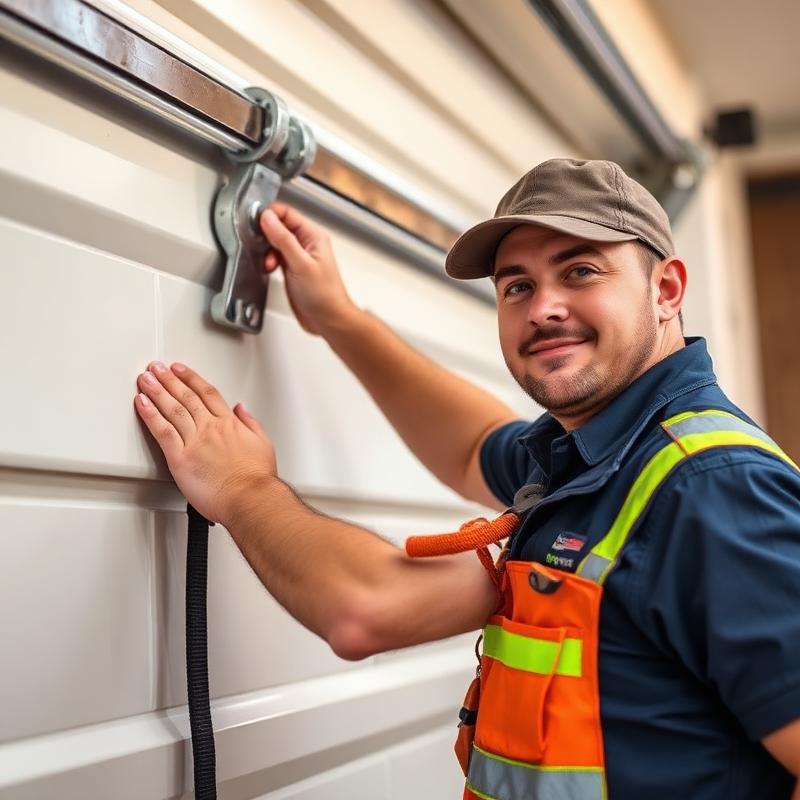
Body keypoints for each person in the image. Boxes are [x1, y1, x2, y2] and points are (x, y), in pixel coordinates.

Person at [133, 159, 800, 799]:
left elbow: (362, 608)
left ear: (667, 290)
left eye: (581, 271)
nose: (544, 308)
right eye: (517, 286)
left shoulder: (710, 487)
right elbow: (471, 444)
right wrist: (339, 318)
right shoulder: (597, 458)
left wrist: (245, 490)